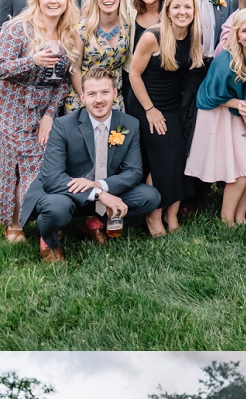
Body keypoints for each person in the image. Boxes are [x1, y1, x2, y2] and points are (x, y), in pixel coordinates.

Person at [19, 67, 161, 262]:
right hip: (64, 193)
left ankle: (93, 224)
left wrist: (99, 186)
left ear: (115, 94)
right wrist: (99, 194)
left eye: (104, 92)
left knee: (150, 196)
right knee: (56, 208)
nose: (99, 100)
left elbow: (134, 172)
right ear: (82, 97)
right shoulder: (63, 125)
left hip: (100, 189)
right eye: (92, 94)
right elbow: (52, 178)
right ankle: (49, 241)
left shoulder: (130, 124)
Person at [0, 0, 81, 242]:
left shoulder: (69, 34)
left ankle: (45, 218)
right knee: (13, 165)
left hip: (41, 110)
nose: (53, 1)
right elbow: (1, 68)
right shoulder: (17, 28)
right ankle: (13, 223)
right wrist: (33, 61)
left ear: (67, 2)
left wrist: (50, 115)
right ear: (37, 0)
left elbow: (63, 83)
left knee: (40, 163)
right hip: (7, 106)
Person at [126, 0, 205, 235]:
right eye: (177, 7)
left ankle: (172, 216)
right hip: (145, 103)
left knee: (180, 155)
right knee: (163, 158)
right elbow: (134, 74)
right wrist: (150, 110)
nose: (182, 12)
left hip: (172, 105)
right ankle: (154, 216)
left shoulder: (193, 37)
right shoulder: (153, 36)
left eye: (187, 7)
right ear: (168, 11)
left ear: (194, 12)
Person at [185, 7, 246, 224]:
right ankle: (227, 219)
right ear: (236, 35)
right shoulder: (226, 61)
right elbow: (208, 96)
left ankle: (240, 215)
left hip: (243, 114)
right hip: (219, 114)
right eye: (245, 31)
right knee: (243, 168)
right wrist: (237, 103)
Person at [66, 0, 132, 113]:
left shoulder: (127, 26)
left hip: (113, 98)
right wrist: (87, 97)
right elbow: (74, 68)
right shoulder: (82, 28)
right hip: (82, 97)